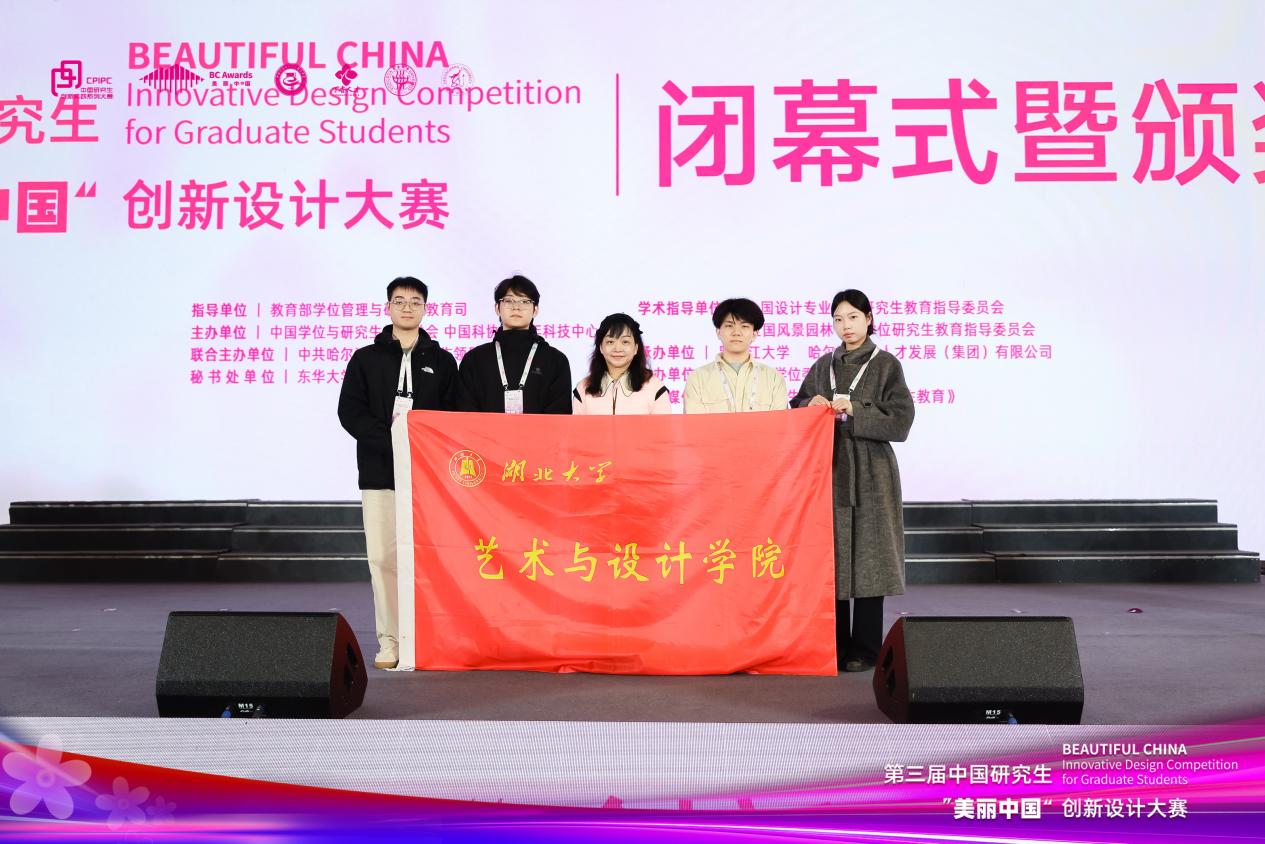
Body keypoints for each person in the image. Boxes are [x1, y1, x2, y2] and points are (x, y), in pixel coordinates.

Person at [338, 276, 458, 670]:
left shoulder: (443, 361)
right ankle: (390, 641)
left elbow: (452, 416)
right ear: (387, 307)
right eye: (400, 301)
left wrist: (421, 447)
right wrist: (393, 442)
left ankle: (426, 638)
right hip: (379, 473)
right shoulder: (365, 359)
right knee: (382, 558)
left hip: (428, 479)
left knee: (429, 560)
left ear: (425, 308)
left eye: (415, 301)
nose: (407, 307)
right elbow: (350, 412)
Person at [791, 289, 914, 672]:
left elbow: (901, 420)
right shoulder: (823, 365)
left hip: (872, 469)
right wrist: (807, 405)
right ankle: (835, 643)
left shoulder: (886, 364)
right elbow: (796, 406)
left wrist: (857, 408)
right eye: (838, 319)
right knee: (833, 555)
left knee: (870, 555)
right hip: (829, 465)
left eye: (853, 317)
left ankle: (866, 648)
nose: (846, 326)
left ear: (869, 318)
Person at [456, 274, 572, 414]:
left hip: (540, 430)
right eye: (508, 300)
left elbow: (559, 416)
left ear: (535, 310)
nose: (516, 307)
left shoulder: (555, 360)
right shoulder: (474, 359)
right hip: (483, 430)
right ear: (497, 308)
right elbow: (465, 414)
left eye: (525, 301)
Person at [682, 298, 788, 413]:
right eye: (729, 326)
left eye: (744, 326)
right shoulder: (698, 378)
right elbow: (694, 423)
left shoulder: (774, 378)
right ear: (718, 332)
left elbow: (780, 423)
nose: (736, 332)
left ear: (754, 334)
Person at [572, 313, 672, 415]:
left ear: (636, 348)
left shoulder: (655, 388)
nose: (617, 349)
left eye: (625, 342)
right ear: (601, 347)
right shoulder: (583, 389)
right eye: (610, 342)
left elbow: (664, 425)